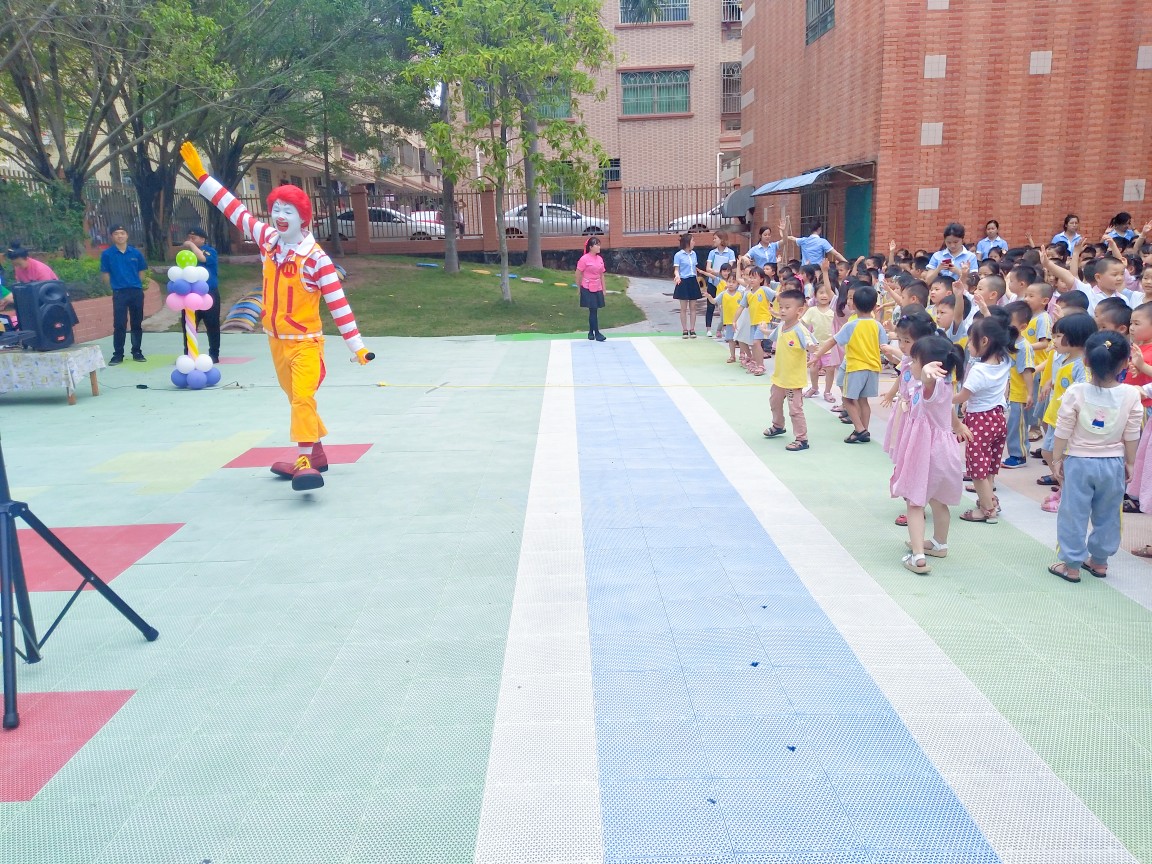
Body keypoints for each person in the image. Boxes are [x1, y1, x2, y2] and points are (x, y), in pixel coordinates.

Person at [180, 141, 372, 492]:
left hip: (306, 344)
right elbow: (234, 209)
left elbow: (338, 304)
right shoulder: (268, 240)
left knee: (302, 398)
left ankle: (303, 461)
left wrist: (357, 346)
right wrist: (202, 177)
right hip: (276, 342)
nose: (280, 216)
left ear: (303, 217)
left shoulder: (317, 260)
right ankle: (316, 453)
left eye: (288, 210)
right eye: (276, 209)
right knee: (295, 398)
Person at [1047, 332, 1143, 582]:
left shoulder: (1076, 392)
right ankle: (1099, 562)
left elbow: (1062, 430)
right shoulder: (1131, 394)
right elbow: (1132, 433)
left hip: (1079, 463)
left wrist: (1057, 460)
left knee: (1073, 513)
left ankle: (1071, 566)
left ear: (1086, 361)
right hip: (1113, 463)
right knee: (1109, 514)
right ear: (1125, 363)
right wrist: (1130, 462)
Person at [890, 335, 968, 573]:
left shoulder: (930, 386)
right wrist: (958, 426)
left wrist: (925, 373)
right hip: (943, 452)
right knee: (938, 500)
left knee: (915, 503)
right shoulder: (944, 387)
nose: (912, 364)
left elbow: (927, 383)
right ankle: (939, 543)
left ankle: (918, 557)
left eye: (916, 361)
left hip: (925, 453)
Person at [810, 283, 888, 443]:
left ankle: (859, 429)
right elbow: (884, 347)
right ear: (874, 306)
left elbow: (832, 341)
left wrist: (817, 354)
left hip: (856, 368)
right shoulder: (877, 325)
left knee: (847, 399)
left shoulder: (851, 325)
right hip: (873, 368)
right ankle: (864, 430)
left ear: (855, 305)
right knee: (863, 401)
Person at [954, 316, 1014, 523]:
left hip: (980, 421)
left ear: (985, 341)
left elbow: (962, 396)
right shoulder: (1005, 361)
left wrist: (940, 397)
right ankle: (989, 500)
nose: (968, 345)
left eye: (971, 340)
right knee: (988, 466)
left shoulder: (979, 370)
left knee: (977, 469)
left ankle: (988, 510)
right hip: (998, 418)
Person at [1037, 313, 1096, 513]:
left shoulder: (1082, 365)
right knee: (1048, 453)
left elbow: (1082, 391)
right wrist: (1050, 382)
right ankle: (1064, 489)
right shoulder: (1064, 358)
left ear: (1076, 337)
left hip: (1068, 421)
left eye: (1058, 336)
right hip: (1056, 417)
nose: (1054, 340)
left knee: (1061, 458)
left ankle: (1069, 496)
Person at [762, 289, 817, 452]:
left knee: (795, 409)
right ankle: (778, 425)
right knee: (774, 402)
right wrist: (764, 330)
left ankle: (802, 439)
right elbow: (772, 335)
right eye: (781, 307)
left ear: (799, 311)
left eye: (787, 307)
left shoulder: (800, 330)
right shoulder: (781, 326)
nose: (782, 310)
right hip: (779, 377)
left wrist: (811, 348)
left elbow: (810, 343)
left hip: (793, 380)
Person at [99, 224, 152, 364]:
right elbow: (105, 273)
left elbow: (141, 271)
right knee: (119, 324)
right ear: (112, 236)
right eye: (116, 233)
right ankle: (118, 354)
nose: (120, 236)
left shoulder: (135, 253)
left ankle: (137, 352)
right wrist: (112, 288)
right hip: (119, 293)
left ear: (127, 235)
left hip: (135, 292)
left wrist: (136, 284)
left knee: (136, 323)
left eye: (122, 233)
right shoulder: (107, 254)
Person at [1001, 301, 1037, 469]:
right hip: (1008, 392)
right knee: (1011, 424)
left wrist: (1029, 394)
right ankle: (1014, 452)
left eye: (1010, 322)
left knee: (1018, 425)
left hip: (1019, 394)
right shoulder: (1007, 342)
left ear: (1022, 326)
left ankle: (1019, 455)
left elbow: (1027, 371)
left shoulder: (1023, 347)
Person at [182, 226, 222, 362]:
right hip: (190, 294)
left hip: (208, 293)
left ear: (203, 239)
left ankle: (214, 354)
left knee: (212, 324)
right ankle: (189, 353)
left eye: (193, 238)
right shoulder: (186, 255)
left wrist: (191, 245)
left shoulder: (209, 250)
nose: (190, 240)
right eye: (189, 238)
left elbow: (203, 259)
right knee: (188, 325)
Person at [802, 264, 837, 401]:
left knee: (830, 370)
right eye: (820, 293)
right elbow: (803, 324)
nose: (824, 295)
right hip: (815, 346)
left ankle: (827, 391)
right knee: (813, 369)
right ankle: (814, 387)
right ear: (815, 295)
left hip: (830, 347)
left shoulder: (834, 311)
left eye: (827, 292)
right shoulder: (812, 310)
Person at [704, 231, 736, 337]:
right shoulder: (712, 253)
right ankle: (708, 329)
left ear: (722, 239)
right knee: (710, 305)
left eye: (715, 238)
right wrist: (719, 272)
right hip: (713, 282)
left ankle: (724, 328)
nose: (714, 240)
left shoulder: (730, 252)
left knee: (725, 306)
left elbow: (729, 268)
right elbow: (708, 268)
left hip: (725, 283)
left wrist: (720, 272)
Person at [779, 218, 847, 267]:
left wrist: (783, 232)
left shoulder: (804, 241)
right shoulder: (822, 242)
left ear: (810, 229)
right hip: (817, 270)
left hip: (805, 270)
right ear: (819, 229)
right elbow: (836, 254)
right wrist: (847, 263)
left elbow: (790, 238)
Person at [576, 236, 607, 342]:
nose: (599, 247)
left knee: (594, 310)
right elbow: (578, 273)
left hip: (597, 287)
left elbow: (602, 274)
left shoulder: (600, 259)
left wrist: (604, 289)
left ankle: (590, 332)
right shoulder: (584, 259)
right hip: (587, 287)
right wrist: (579, 287)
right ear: (590, 247)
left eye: (599, 245)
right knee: (593, 309)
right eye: (596, 245)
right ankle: (597, 333)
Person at [672, 233, 701, 338]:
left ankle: (692, 329)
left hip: (693, 280)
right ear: (687, 242)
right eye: (692, 240)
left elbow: (695, 269)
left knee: (693, 307)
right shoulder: (678, 255)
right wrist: (677, 276)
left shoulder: (694, 254)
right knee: (683, 308)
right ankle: (684, 329)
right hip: (683, 281)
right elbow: (676, 269)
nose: (694, 242)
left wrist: (698, 280)